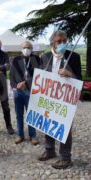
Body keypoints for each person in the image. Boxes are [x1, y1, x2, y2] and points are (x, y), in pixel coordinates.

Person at [38, 30, 82, 169]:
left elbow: (79, 80)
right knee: (47, 123)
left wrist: (69, 73)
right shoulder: (45, 57)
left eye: (64, 41)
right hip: (49, 98)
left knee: (65, 127)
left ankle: (65, 157)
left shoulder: (73, 57)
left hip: (65, 99)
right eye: (59, 41)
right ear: (52, 42)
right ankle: (49, 150)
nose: (62, 44)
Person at [10, 41, 40, 145]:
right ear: (21, 48)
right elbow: (12, 75)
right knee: (19, 115)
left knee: (31, 114)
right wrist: (14, 86)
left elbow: (39, 75)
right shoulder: (15, 60)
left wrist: (26, 83)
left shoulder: (36, 59)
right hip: (18, 91)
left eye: (28, 47)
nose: (26, 49)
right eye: (24, 47)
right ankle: (20, 135)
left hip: (31, 91)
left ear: (31, 49)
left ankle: (33, 136)